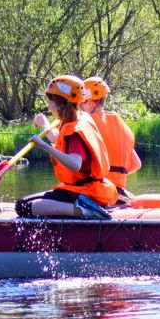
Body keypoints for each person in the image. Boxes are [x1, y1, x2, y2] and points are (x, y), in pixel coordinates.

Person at [16, 75, 118, 220]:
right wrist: (45, 125)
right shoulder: (81, 118)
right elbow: (60, 141)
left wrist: (44, 146)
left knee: (23, 207)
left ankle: (81, 209)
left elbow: (75, 164)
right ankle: (80, 207)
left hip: (86, 192)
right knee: (23, 202)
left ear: (60, 104)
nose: (49, 106)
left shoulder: (74, 131)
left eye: (50, 102)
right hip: (84, 189)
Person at [82, 77, 142, 204]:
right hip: (117, 191)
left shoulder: (86, 124)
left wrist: (45, 126)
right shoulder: (119, 123)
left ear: (90, 104)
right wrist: (114, 176)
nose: (78, 108)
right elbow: (137, 164)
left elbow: (60, 142)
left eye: (80, 103)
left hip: (96, 193)